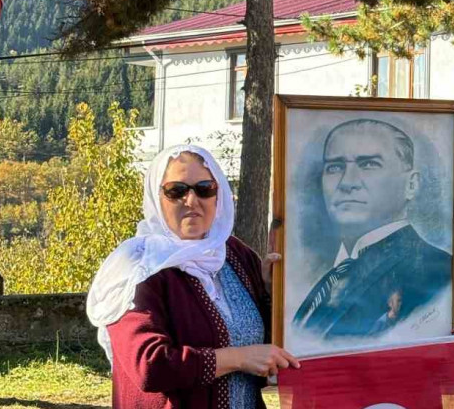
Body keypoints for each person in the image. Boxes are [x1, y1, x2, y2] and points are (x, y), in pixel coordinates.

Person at [86, 145, 300, 409]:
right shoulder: (138, 266)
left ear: (217, 195)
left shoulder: (235, 255)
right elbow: (149, 366)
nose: (191, 201)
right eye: (176, 191)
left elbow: (268, 347)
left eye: (204, 189)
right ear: (156, 197)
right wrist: (237, 358)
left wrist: (269, 291)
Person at [292, 118, 451, 339]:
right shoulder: (331, 274)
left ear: (411, 184)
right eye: (335, 167)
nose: (347, 182)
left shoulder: (436, 271)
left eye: (369, 164)